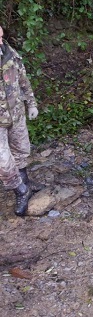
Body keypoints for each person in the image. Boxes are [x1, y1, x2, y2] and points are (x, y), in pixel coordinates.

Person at [0, 26, 43, 216]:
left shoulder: (10, 53)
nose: (2, 41)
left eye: (1, 36)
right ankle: (21, 191)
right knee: (3, 161)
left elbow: (23, 80)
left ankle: (25, 181)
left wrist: (31, 103)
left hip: (16, 114)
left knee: (21, 149)